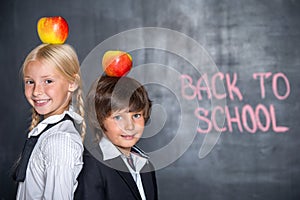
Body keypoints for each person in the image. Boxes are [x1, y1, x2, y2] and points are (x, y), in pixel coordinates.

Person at [13, 43, 86, 199]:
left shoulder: (59, 141)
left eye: (48, 81)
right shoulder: (49, 134)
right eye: (30, 82)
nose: (37, 91)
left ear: (72, 83)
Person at [75, 75, 158, 200]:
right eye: (118, 117)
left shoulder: (146, 165)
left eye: (136, 116)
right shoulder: (91, 165)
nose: (129, 126)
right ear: (99, 120)